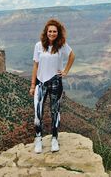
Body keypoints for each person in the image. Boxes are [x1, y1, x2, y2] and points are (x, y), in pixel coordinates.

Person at [29, 19, 75, 153]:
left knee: (55, 111)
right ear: (46, 32)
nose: (52, 34)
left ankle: (54, 139)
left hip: (56, 81)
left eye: (55, 31)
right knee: (38, 113)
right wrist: (32, 85)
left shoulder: (62, 45)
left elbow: (72, 55)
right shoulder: (38, 46)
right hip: (40, 82)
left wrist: (66, 71)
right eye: (50, 31)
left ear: (58, 33)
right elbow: (35, 65)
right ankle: (38, 139)